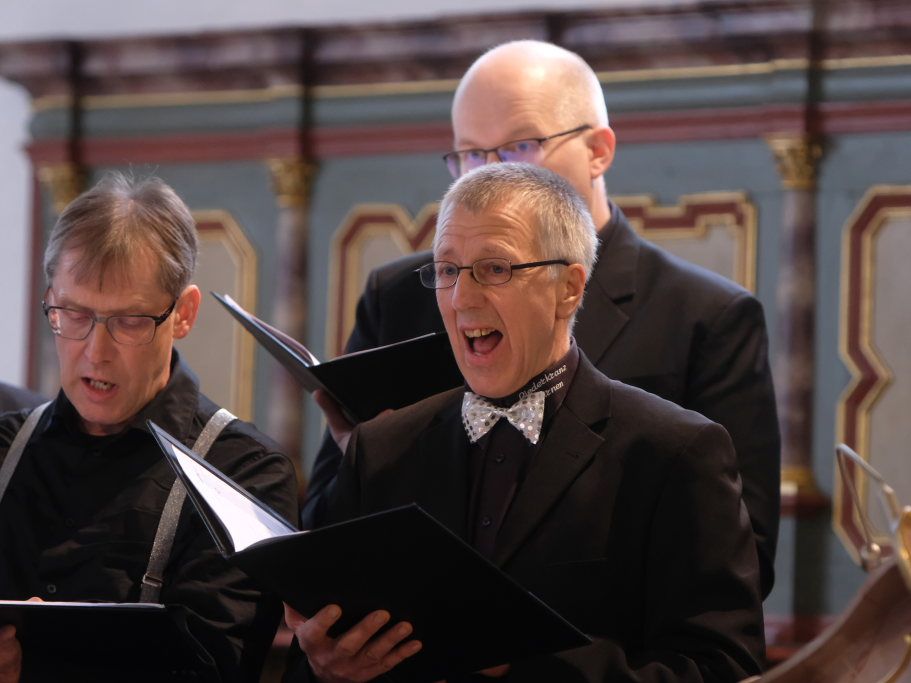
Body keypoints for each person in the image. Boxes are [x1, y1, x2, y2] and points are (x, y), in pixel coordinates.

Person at [306, 39, 780, 599]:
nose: (489, 173)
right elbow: (322, 522)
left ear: (598, 150)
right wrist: (372, 459)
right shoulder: (401, 294)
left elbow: (740, 558)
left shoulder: (707, 316)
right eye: (470, 155)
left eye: (520, 146)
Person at [285, 163, 764, 682]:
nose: (462, 298)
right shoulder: (380, 450)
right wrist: (326, 671)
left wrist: (519, 664)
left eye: (495, 268)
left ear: (569, 288)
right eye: (447, 270)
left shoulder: (675, 452)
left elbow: (722, 669)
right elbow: (312, 655)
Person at [0, 173, 299, 683]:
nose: (96, 352)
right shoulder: (5, 447)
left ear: (183, 313)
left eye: (129, 322)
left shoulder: (243, 476)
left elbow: (214, 670)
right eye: (74, 314)